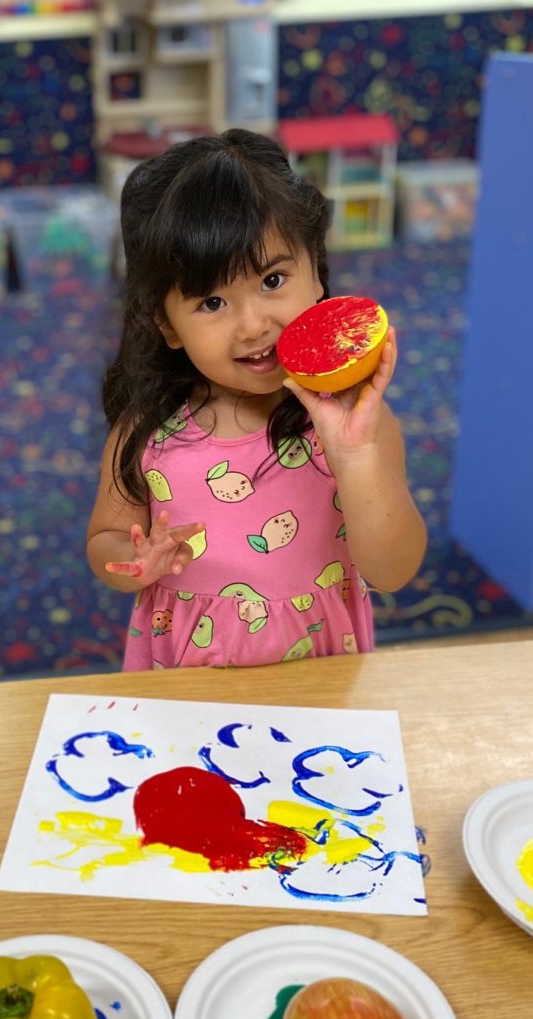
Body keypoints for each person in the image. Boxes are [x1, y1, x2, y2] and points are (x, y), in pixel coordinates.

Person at [86, 129, 426, 669]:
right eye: (212, 301)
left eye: (272, 280)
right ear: (166, 325)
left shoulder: (353, 423)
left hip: (320, 678)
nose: (253, 325)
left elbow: (393, 571)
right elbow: (104, 539)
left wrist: (357, 458)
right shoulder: (146, 434)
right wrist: (135, 559)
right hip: (186, 681)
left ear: (315, 268)